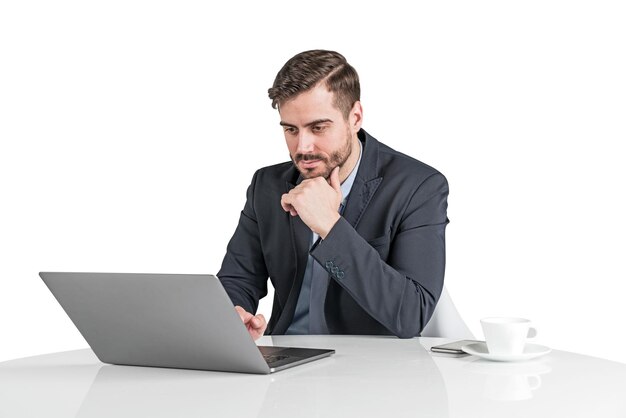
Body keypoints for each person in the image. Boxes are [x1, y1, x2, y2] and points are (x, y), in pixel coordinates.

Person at [218, 50, 449, 339]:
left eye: (318, 127)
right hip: (287, 358)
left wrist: (330, 225)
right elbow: (238, 279)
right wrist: (235, 313)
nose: (303, 147)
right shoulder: (267, 184)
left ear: (355, 117)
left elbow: (411, 314)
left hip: (369, 368)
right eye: (291, 129)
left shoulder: (418, 187)